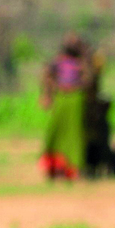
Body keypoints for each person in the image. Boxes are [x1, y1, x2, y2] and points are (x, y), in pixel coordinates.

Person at [40, 34, 90, 180]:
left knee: (75, 133)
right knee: (56, 130)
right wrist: (47, 95)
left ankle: (73, 168)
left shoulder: (83, 62)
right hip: (61, 97)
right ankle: (54, 167)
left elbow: (89, 79)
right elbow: (47, 77)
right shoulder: (57, 62)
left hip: (76, 98)